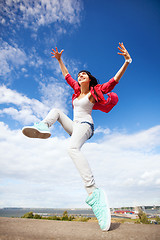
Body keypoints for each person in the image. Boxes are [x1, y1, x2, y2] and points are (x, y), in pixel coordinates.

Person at [22, 42, 132, 231]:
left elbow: (113, 81)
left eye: (84, 74)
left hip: (86, 127)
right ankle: (43, 127)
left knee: (72, 148)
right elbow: (66, 75)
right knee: (56, 111)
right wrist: (59, 59)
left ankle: (93, 192)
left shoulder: (94, 92)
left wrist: (127, 62)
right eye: (79, 74)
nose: (80, 75)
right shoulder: (75, 91)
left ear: (89, 80)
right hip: (74, 126)